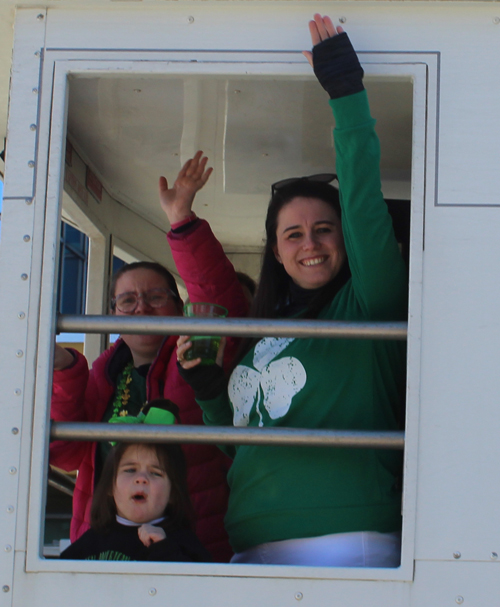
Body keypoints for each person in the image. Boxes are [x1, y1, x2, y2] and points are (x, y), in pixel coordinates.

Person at [176, 15, 408, 567]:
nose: (311, 243)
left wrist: (345, 93)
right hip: (251, 544)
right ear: (276, 252)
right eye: (294, 234)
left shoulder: (367, 305)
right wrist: (211, 392)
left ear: (346, 241)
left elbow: (364, 204)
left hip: (344, 540)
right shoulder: (264, 333)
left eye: (325, 229)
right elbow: (244, 443)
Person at [50, 152, 248, 562]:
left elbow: (219, 300)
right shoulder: (102, 374)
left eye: (156, 297)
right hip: (104, 557)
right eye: (127, 300)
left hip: (194, 551)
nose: (141, 308)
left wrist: (182, 220)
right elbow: (65, 454)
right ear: (113, 313)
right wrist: (65, 369)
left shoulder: (193, 355)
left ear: (179, 308)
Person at [60, 441, 211, 562]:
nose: (141, 479)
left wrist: (164, 549)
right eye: (130, 470)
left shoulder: (183, 542)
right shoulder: (90, 542)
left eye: (155, 473)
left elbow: (199, 593)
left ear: (173, 494)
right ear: (110, 487)